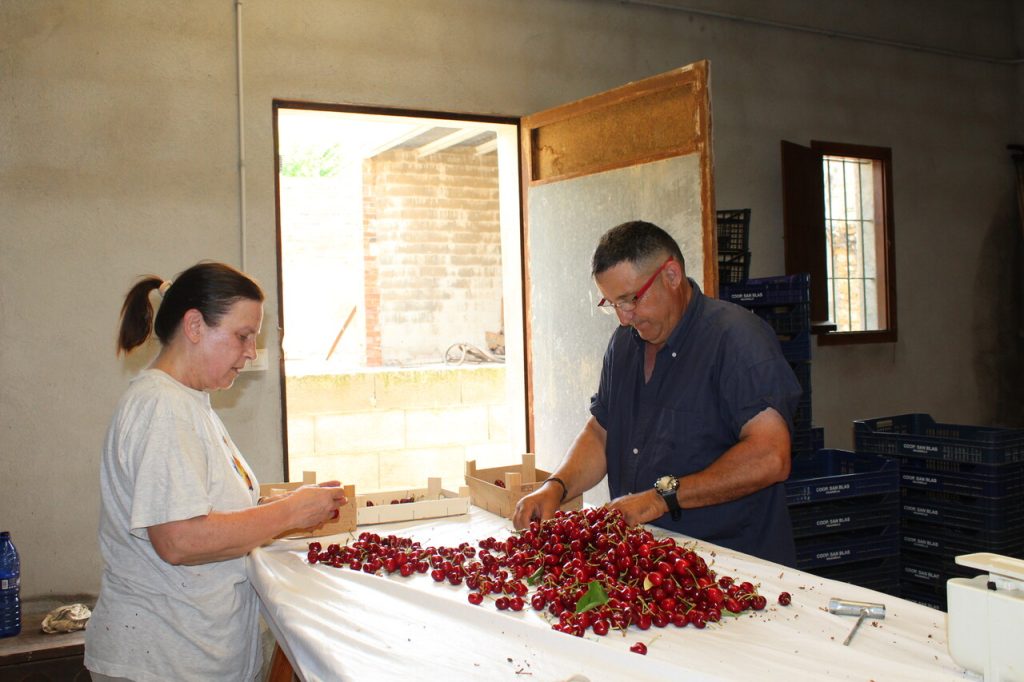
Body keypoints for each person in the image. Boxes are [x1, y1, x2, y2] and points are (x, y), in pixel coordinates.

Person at [85, 262, 348, 682]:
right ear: (194, 326)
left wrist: (274, 506)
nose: (249, 351)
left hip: (193, 650)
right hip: (162, 661)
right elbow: (179, 539)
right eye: (243, 336)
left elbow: (205, 508)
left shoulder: (189, 402)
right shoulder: (163, 408)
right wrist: (290, 514)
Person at [513, 221, 801, 565]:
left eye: (632, 299)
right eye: (613, 303)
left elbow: (771, 456)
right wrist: (556, 487)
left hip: (733, 565)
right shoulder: (624, 345)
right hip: (649, 561)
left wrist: (660, 498)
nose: (623, 317)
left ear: (672, 275)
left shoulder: (736, 340)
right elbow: (602, 432)